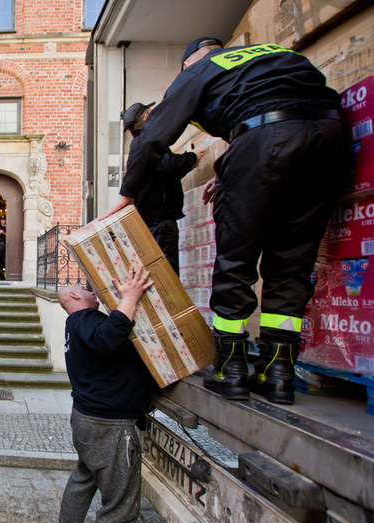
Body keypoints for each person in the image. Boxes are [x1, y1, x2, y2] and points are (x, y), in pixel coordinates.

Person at [107, 37, 347, 405]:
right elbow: (290, 107)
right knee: (293, 261)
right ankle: (278, 373)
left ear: (187, 64)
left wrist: (127, 194)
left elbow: (153, 137)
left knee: (236, 258)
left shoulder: (201, 70)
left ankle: (230, 369)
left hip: (264, 138)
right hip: (329, 137)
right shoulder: (277, 53)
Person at [46, 265, 155, 523]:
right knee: (120, 508)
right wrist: (130, 297)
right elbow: (108, 340)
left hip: (87, 419)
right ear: (72, 296)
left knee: (84, 477)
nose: (92, 291)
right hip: (110, 426)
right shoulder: (85, 319)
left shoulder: (76, 323)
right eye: (84, 289)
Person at [110, 101, 203, 274]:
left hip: (153, 220)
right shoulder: (147, 144)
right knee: (167, 273)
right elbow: (168, 165)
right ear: (147, 116)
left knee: (162, 272)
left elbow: (162, 172)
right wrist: (191, 157)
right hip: (159, 221)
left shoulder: (139, 146)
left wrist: (187, 163)